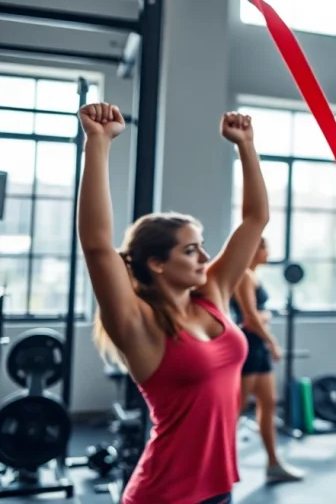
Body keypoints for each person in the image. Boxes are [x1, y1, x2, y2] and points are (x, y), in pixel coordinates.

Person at [78, 103, 268, 504]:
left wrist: (246, 147)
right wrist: (97, 142)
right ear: (157, 264)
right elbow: (97, 247)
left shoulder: (212, 294)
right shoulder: (139, 324)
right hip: (164, 495)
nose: (204, 258)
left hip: (219, 490)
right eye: (191, 251)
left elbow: (254, 219)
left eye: (202, 248)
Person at [231, 237, 304, 484]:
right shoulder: (244, 276)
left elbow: (254, 316)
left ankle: (273, 464)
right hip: (250, 347)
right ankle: (216, 465)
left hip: (257, 347)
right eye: (265, 247)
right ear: (254, 249)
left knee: (268, 403)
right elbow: (249, 320)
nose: (268, 252)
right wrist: (272, 340)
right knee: (236, 410)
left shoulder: (253, 276)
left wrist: (265, 317)